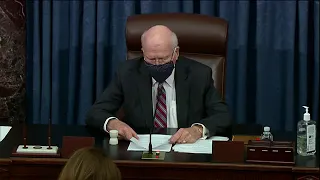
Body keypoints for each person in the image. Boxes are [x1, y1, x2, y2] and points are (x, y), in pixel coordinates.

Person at [85, 25, 231, 144]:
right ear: (143, 52)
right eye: (150, 59)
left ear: (176, 53)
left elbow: (223, 115)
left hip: (186, 150)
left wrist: (198, 130)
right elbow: (96, 113)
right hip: (141, 151)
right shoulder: (127, 73)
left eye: (162, 59)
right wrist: (113, 124)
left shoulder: (199, 74)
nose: (157, 64)